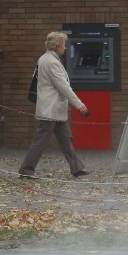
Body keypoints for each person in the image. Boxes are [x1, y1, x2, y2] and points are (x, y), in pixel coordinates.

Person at [19, 31, 90, 179]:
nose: (65, 48)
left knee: (66, 139)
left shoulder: (44, 59)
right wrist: (80, 105)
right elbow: (63, 86)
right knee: (40, 141)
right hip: (50, 109)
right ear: (57, 46)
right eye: (64, 45)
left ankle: (77, 168)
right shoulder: (52, 62)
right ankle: (26, 169)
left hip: (53, 109)